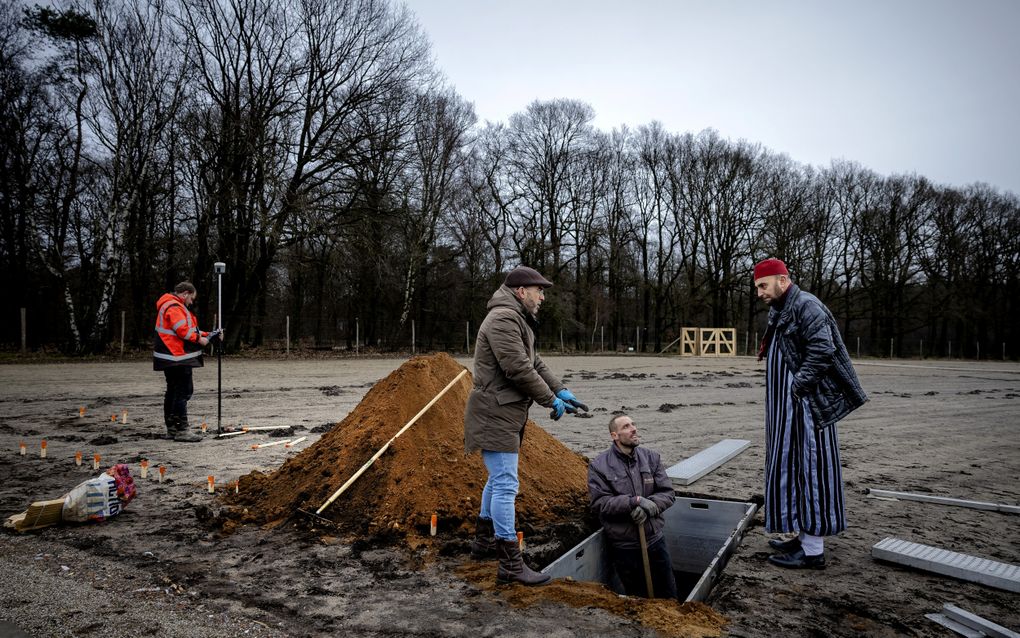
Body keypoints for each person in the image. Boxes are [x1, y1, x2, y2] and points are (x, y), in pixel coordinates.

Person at [464, 265, 589, 586]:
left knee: (497, 480)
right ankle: (510, 563)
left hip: (504, 412)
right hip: (496, 412)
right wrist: (550, 400)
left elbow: (534, 362)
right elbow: (517, 368)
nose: (543, 297)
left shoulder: (516, 318)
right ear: (522, 292)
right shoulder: (504, 318)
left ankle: (483, 542)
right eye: (539, 290)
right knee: (506, 483)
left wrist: (560, 389)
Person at [753, 258, 867, 569]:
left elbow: (823, 349)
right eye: (757, 287)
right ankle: (802, 538)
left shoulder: (806, 305)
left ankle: (813, 551)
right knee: (791, 467)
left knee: (811, 470)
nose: (760, 292)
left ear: (782, 280)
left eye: (763, 285)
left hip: (805, 406)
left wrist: (798, 386)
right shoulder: (783, 308)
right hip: (788, 409)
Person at [588, 414, 678, 599]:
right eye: (626, 426)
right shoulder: (599, 466)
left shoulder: (651, 458)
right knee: (637, 598)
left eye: (634, 424)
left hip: (654, 540)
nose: (634, 429)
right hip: (625, 547)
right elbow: (600, 503)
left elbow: (667, 493)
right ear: (615, 435)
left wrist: (649, 505)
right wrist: (633, 502)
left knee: (668, 595)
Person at [153, 281, 220, 442]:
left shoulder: (170, 305)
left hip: (171, 357)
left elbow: (189, 329)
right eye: (191, 298)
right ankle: (182, 429)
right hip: (177, 356)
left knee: (173, 391)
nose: (191, 302)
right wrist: (200, 339)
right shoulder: (174, 307)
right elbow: (183, 331)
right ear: (185, 294)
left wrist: (208, 334)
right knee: (183, 391)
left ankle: (173, 429)